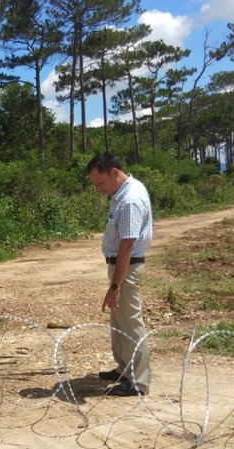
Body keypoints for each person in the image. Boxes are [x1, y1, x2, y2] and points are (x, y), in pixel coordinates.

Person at [86, 151, 153, 397]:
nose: (99, 188)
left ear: (114, 172)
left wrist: (115, 286)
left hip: (127, 266)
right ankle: (124, 369)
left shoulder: (130, 200)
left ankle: (138, 383)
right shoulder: (123, 193)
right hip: (121, 265)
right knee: (120, 321)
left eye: (100, 182)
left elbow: (127, 244)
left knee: (131, 323)